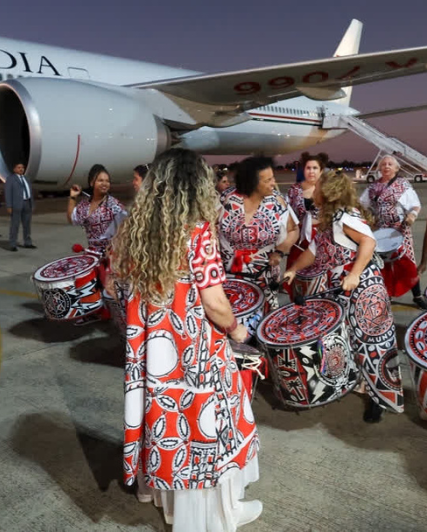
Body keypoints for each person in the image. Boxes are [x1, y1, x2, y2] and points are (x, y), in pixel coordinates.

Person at [111, 148, 261, 531]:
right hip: (194, 350)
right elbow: (214, 302)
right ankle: (215, 516)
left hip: (154, 348)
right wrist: (238, 330)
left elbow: (119, 286)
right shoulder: (196, 230)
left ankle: (168, 502)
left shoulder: (135, 228)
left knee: (167, 423)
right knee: (207, 430)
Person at [284, 170, 404, 422]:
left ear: (327, 192)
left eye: (316, 188)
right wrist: (294, 269)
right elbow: (315, 251)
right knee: (350, 340)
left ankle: (379, 399)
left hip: (364, 290)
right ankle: (361, 385)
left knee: (373, 344)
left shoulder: (345, 217)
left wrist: (355, 274)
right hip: (345, 289)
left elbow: (368, 242)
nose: (313, 191)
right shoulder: (329, 218)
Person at [218, 156, 298, 310]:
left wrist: (280, 251)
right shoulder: (227, 199)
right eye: (267, 180)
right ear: (252, 182)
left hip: (265, 275)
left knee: (262, 318)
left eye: (272, 178)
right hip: (230, 274)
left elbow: (293, 230)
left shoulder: (277, 201)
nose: (273, 183)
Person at [359, 154, 425, 307]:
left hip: (400, 230)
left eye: (390, 164)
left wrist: (412, 216)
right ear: (379, 168)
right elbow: (362, 205)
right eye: (383, 164)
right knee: (384, 264)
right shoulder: (373, 187)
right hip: (381, 232)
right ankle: (386, 295)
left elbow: (415, 205)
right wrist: (370, 220)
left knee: (407, 262)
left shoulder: (403, 185)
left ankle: (418, 296)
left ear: (396, 168)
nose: (386, 166)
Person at [285, 154, 327, 296]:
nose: (311, 171)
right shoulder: (294, 190)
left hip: (320, 237)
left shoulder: (326, 190)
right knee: (296, 272)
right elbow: (287, 215)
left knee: (320, 277)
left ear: (321, 171)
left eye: (315, 168)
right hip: (299, 238)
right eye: (308, 168)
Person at [67, 164, 125, 257]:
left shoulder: (114, 205)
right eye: (100, 180)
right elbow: (72, 219)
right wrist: (72, 197)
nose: (105, 184)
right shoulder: (85, 205)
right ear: (91, 183)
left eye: (107, 181)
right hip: (92, 256)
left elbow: (126, 230)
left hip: (111, 256)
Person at [4, 162, 35, 252]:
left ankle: (27, 242)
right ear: (14, 169)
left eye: (22, 167)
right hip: (16, 205)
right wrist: (9, 206)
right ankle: (13, 244)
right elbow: (8, 193)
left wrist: (32, 204)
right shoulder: (10, 179)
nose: (21, 169)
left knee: (27, 225)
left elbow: (29, 191)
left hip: (27, 203)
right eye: (19, 167)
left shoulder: (26, 178)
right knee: (15, 225)